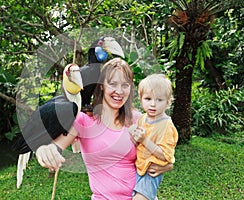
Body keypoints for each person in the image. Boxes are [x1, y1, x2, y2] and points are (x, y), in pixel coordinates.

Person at [35, 58, 173, 200]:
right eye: (113, 84)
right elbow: (55, 147)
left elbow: (163, 151)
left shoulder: (140, 120)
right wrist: (43, 151)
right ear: (102, 86)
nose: (119, 91)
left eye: (125, 85)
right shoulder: (83, 120)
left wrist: (168, 165)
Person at [129, 74, 178, 200]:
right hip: (138, 168)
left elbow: (165, 155)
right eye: (148, 98)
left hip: (151, 171)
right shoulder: (142, 119)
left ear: (168, 102)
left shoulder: (166, 125)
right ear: (141, 99)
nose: (153, 104)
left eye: (159, 100)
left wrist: (144, 140)